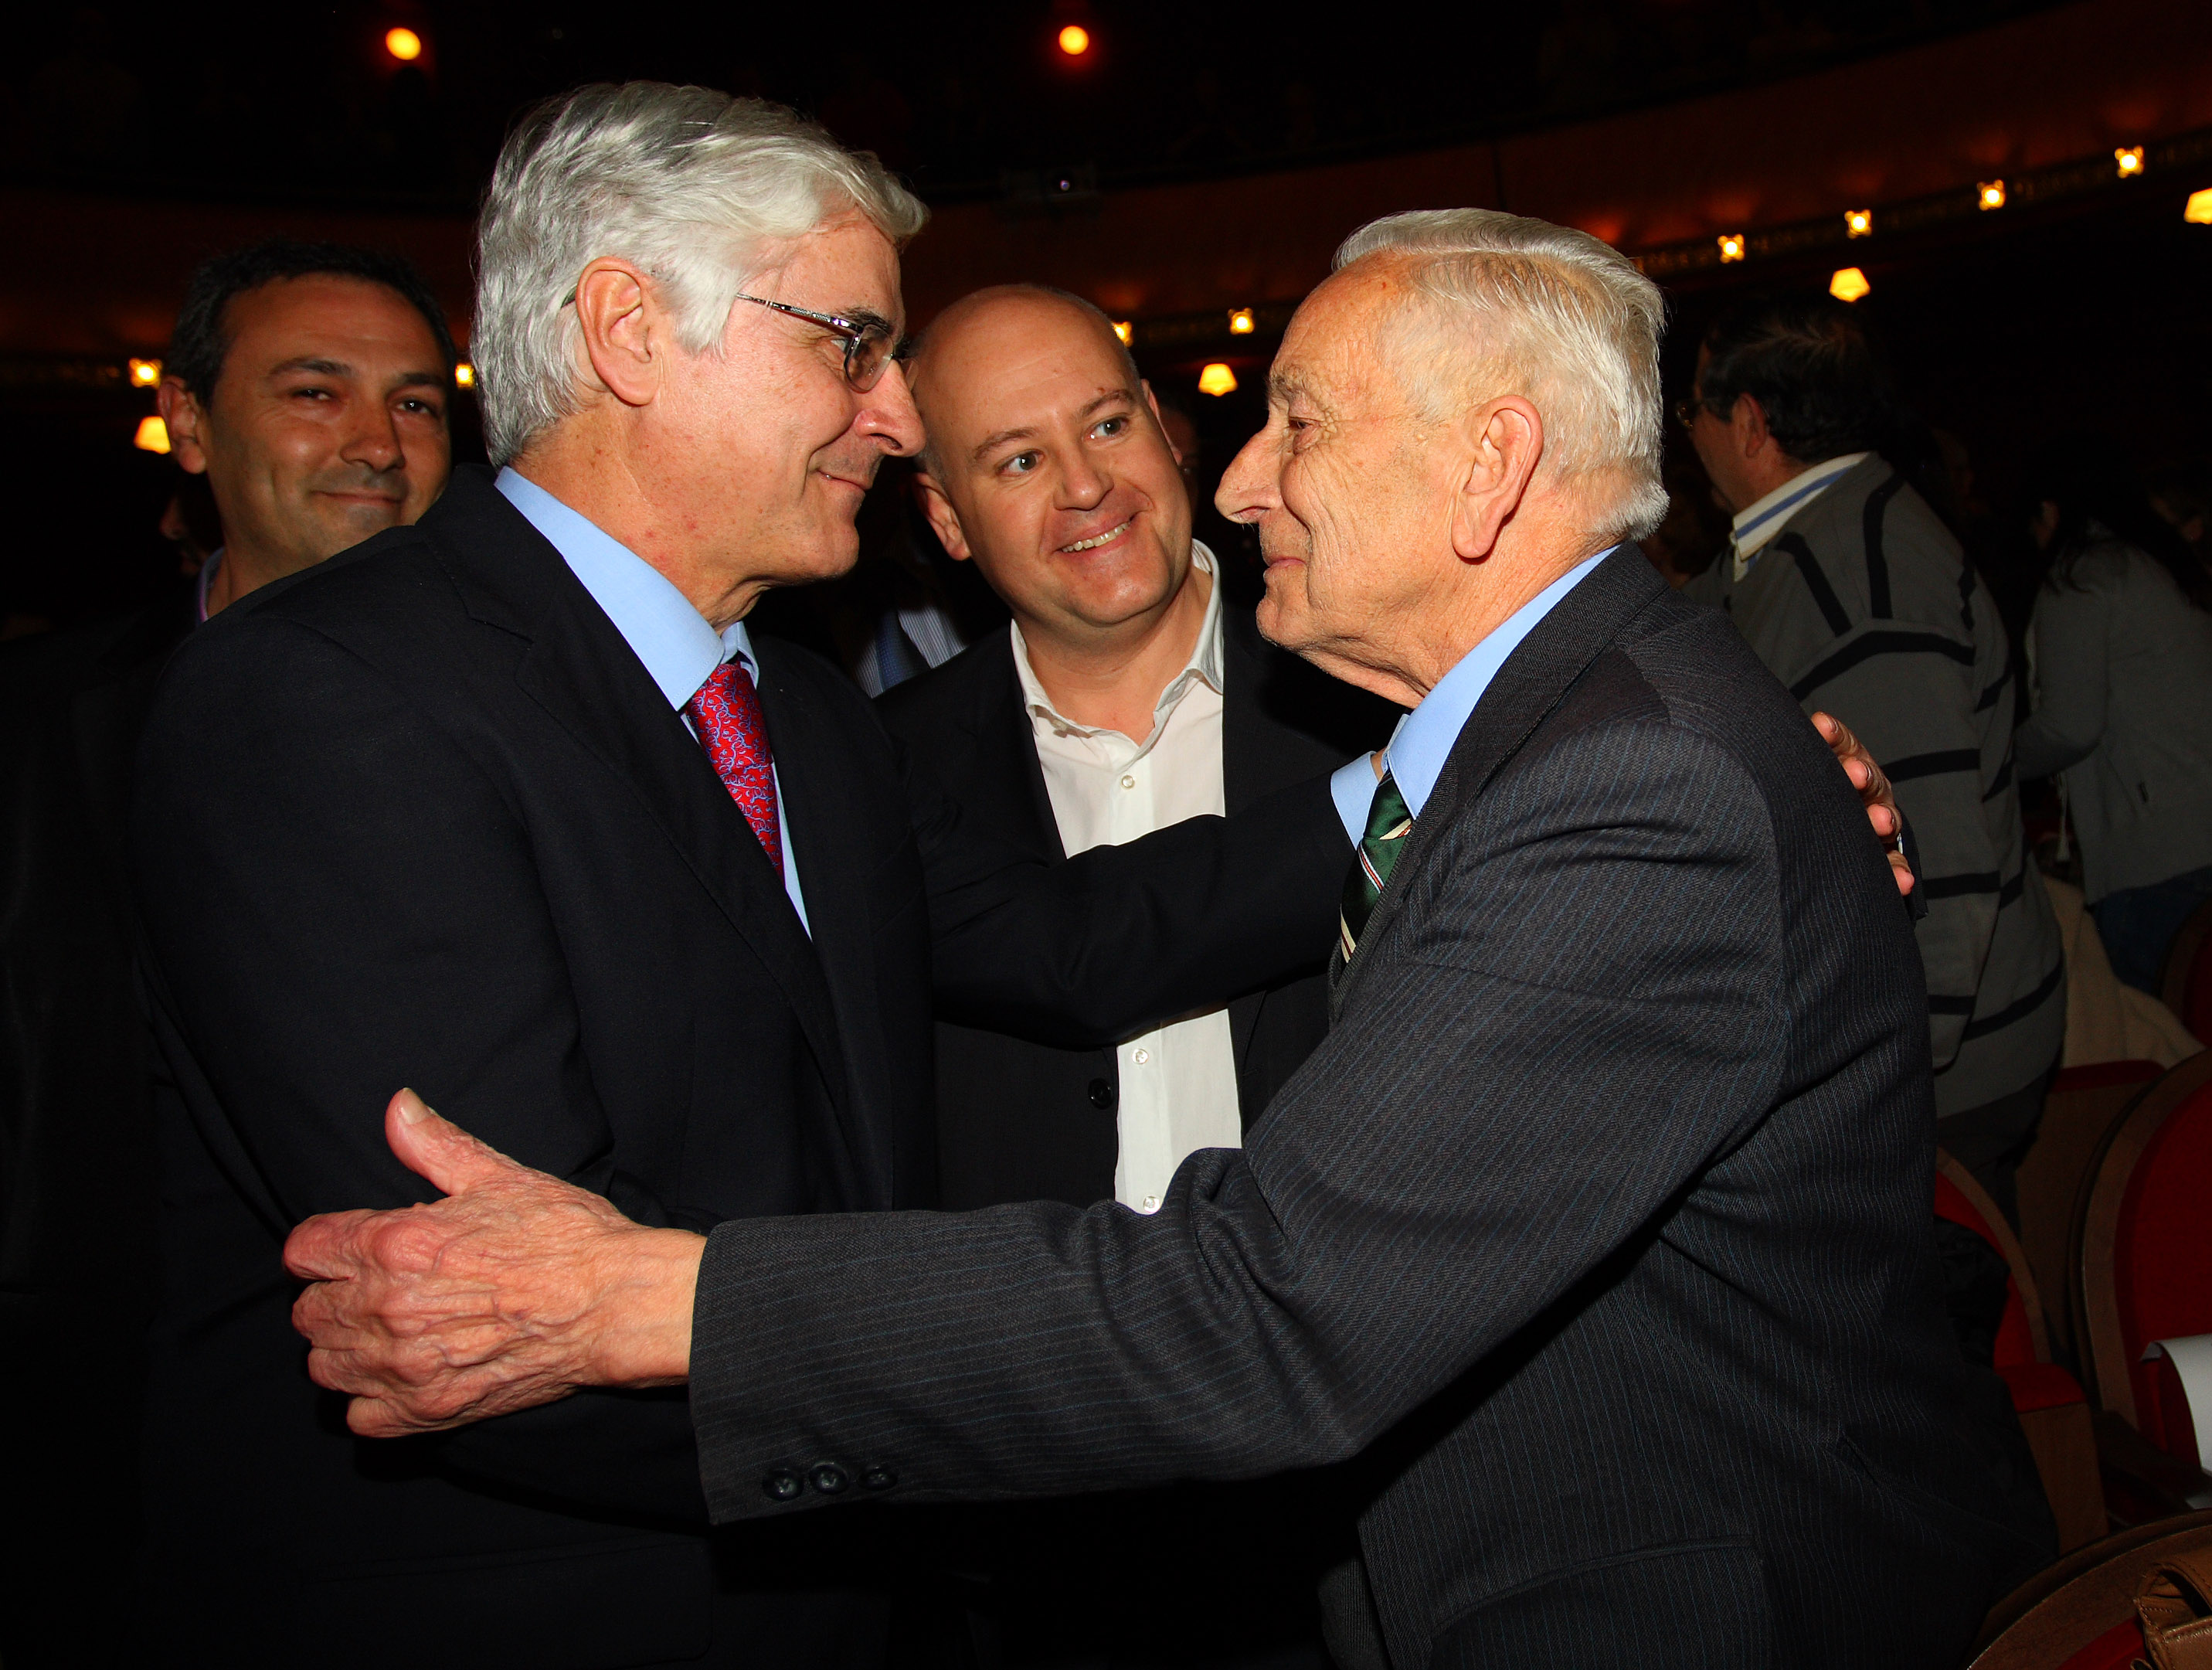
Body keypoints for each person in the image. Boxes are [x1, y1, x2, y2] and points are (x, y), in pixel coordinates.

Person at [287, 208, 2037, 1668]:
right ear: (950, 520)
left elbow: (1277, 1306)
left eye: (1297, 421)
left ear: (1489, 466)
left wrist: (656, 1295)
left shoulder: (1621, 778)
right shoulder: (1565, 747)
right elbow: (1094, 947)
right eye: (1011, 456)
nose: (1242, 474)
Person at [127, 84, 1356, 1670]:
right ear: (629, 331)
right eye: (850, 345)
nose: (895, 417)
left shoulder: (810, 718)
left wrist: (1469, 764)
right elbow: (502, 1315)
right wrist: (1085, 1394)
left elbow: (1075, 940)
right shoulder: (329, 695)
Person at [882, 283, 1394, 1667]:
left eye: (1106, 425)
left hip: (1367, 1475)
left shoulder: (1380, 694)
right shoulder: (874, 773)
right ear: (944, 518)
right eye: (1016, 459)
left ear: (1168, 433)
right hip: (1042, 1512)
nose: (1085, 488)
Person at [0, 236, 454, 1669]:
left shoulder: (541, 726)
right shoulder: (33, 722)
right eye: (316, 393)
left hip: (442, 1462)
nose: (377, 443)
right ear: (188, 423)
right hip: (84, 1452)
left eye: (417, 402)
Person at [1681, 293, 2064, 1220]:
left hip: (1940, 1080)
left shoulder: (1857, 575)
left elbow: (1938, 866)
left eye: (1692, 408)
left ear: (1749, 422)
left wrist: (1875, 1091)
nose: (1685, 435)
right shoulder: (1810, 540)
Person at [2016, 445, 2212, 994]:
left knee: (2153, 1029)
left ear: (2049, 511)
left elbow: (2069, 725)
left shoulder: (2083, 577)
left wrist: (1990, 761)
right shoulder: (2162, 566)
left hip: (2154, 855)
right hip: (2193, 833)